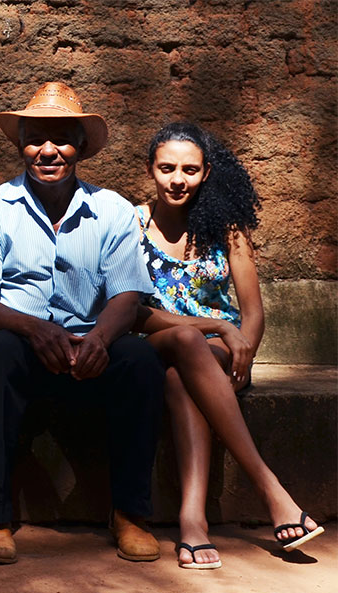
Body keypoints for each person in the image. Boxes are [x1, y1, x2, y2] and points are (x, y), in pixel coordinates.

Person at [0, 82, 165, 565]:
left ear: (82, 147)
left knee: (138, 358)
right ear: (20, 145)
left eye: (63, 139)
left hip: (89, 353)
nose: (48, 151)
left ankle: (131, 515)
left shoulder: (111, 209)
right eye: (35, 139)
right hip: (23, 353)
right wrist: (35, 329)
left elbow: (128, 296)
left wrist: (98, 339)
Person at [134, 122, 323, 569]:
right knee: (184, 339)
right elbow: (135, 312)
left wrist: (244, 351)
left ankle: (192, 523)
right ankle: (270, 488)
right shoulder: (131, 223)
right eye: (167, 168)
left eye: (189, 170)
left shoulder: (228, 229)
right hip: (157, 340)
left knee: (183, 379)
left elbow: (252, 314)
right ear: (150, 169)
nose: (177, 179)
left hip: (220, 353)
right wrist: (213, 328)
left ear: (206, 172)